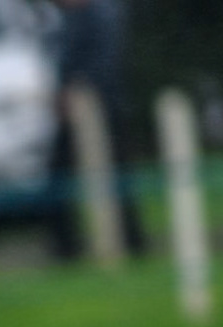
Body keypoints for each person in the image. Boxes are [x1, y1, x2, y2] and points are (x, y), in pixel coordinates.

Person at [46, 0, 147, 261]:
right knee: (62, 176)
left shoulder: (100, 14)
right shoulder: (71, 17)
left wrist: (75, 92)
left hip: (101, 108)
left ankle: (129, 243)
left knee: (114, 174)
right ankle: (68, 247)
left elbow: (104, 62)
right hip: (80, 107)